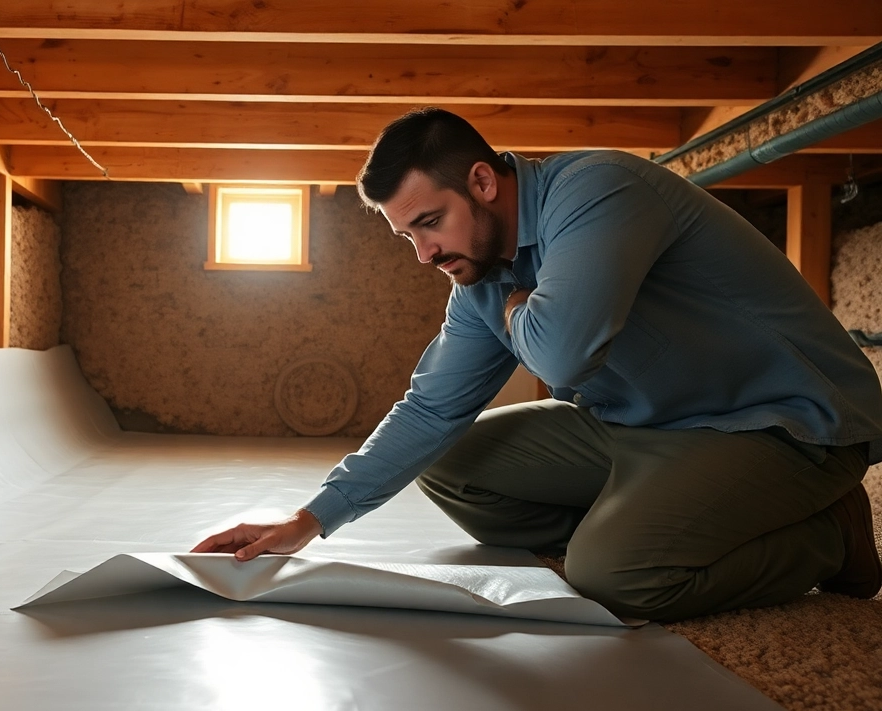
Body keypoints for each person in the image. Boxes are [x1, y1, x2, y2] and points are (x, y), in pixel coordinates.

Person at [192, 108, 882, 621]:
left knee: (615, 578)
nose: (424, 255)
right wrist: (308, 521)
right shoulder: (481, 276)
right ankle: (655, 519)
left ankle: (830, 535)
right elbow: (431, 409)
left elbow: (561, 354)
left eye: (430, 222)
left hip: (779, 427)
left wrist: (519, 311)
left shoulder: (598, 191)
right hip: (642, 429)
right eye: (408, 236)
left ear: (482, 181)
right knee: (453, 463)